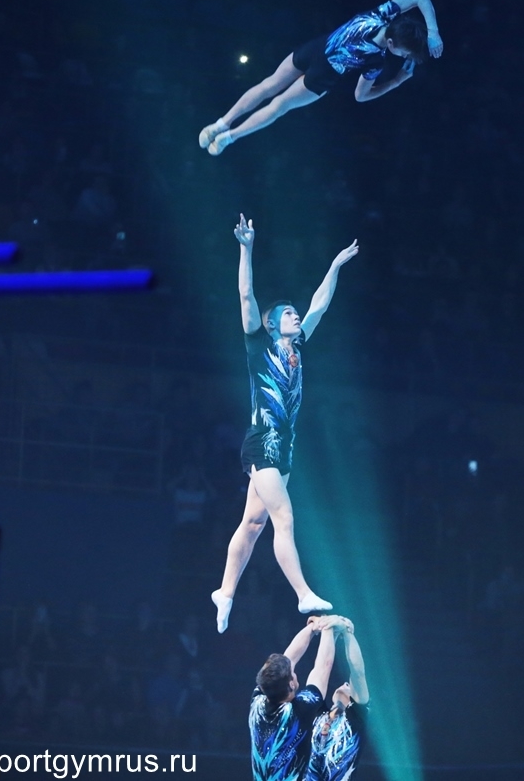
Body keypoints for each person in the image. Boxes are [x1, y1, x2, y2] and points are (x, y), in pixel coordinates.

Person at [211, 215, 359, 633]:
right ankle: (302, 592)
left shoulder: (299, 345)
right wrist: (246, 248)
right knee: (283, 516)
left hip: (285, 446)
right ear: (272, 322)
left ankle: (225, 592)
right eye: (288, 313)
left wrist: (335, 266)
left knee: (253, 523)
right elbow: (245, 294)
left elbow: (319, 305)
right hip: (262, 441)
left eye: (295, 313)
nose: (296, 316)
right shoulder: (258, 344)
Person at [198, 0, 443, 155]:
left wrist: (433, 32)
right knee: (278, 106)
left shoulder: (381, 14)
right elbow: (360, 96)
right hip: (323, 76)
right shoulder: (375, 61)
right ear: (391, 44)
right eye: (404, 52)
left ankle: (220, 125)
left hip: (314, 49)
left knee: (268, 85)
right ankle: (229, 137)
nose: (403, 56)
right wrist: (396, 81)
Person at [249, 618, 340, 781]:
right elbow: (323, 667)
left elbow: (287, 660)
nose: (294, 671)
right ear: (291, 684)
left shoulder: (258, 702)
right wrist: (327, 626)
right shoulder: (300, 711)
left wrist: (312, 628)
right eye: (292, 673)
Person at [306, 617, 370, 781]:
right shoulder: (317, 715)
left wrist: (348, 632)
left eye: (348, 685)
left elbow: (357, 673)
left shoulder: (355, 719)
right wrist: (327, 628)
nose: (344, 683)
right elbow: (322, 667)